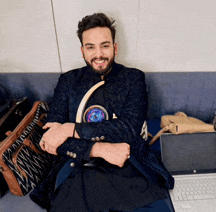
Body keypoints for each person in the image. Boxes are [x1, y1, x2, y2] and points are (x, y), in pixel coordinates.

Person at [30, 13, 174, 212]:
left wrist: (70, 129)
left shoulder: (133, 78)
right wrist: (99, 150)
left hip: (128, 164)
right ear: (82, 51)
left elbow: (129, 129)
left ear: (114, 47)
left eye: (105, 45)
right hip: (79, 167)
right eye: (91, 47)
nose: (99, 54)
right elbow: (51, 139)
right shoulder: (69, 81)